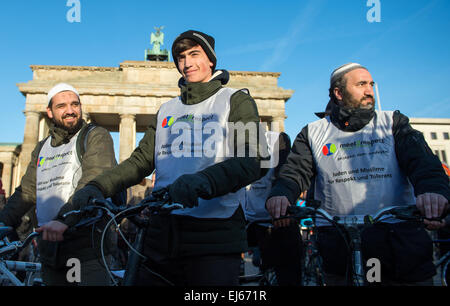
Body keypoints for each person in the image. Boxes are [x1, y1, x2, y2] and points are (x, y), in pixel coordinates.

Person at [71, 30, 267, 286]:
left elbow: (254, 159)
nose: (187, 63)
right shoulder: (167, 110)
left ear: (211, 60)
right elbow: (140, 161)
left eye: (194, 54)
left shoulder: (236, 101)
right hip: (161, 236)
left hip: (213, 238)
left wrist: (202, 182)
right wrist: (99, 186)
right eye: (181, 57)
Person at [266, 63, 450, 285]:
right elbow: (294, 173)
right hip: (340, 246)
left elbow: (423, 164)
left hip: (400, 246)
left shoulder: (393, 123)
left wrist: (432, 192)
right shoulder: (312, 133)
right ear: (338, 92)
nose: (369, 90)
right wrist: (281, 194)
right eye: (361, 84)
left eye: (371, 84)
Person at [0, 83, 119, 286]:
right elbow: (27, 191)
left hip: (85, 248)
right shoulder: (42, 147)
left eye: (75, 104)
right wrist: (3, 222)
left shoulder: (95, 136)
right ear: (49, 111)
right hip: (50, 249)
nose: (70, 110)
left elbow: (93, 180)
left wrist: (65, 219)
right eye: (62, 106)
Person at [244, 130, 303, 285]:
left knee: (288, 274)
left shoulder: (277, 138)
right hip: (249, 221)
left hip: (277, 219)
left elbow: (284, 173)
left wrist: (281, 205)